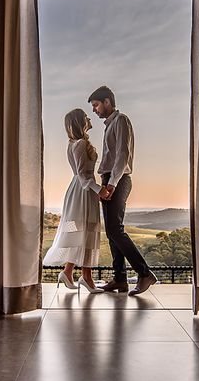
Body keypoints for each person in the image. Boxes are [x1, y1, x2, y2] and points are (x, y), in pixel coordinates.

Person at [89, 86, 157, 295]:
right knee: (111, 232)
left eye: (96, 105)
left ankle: (145, 273)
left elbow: (122, 155)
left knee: (115, 230)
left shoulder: (120, 120)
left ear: (107, 102)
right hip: (109, 179)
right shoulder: (110, 125)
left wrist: (112, 183)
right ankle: (120, 278)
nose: (94, 110)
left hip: (117, 180)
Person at [43, 108, 102, 293]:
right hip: (83, 192)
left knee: (82, 234)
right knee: (86, 233)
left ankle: (69, 273)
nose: (89, 118)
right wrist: (100, 190)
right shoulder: (79, 144)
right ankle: (86, 277)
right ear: (79, 122)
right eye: (85, 117)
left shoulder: (76, 143)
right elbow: (83, 177)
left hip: (82, 191)